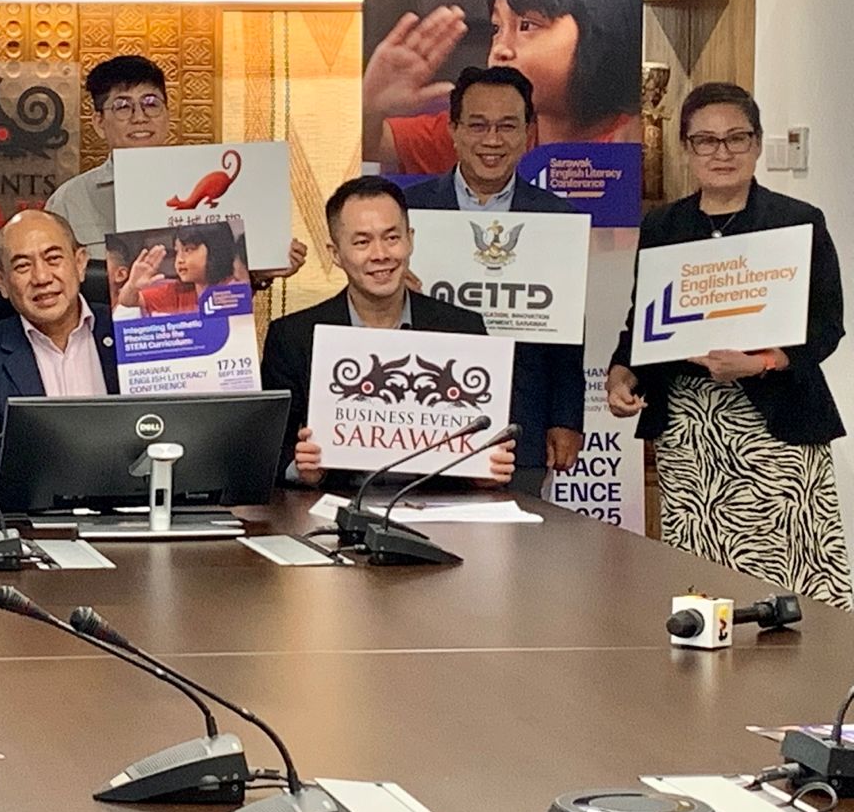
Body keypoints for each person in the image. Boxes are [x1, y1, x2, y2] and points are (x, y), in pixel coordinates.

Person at [607, 82, 849, 608]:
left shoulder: (798, 220)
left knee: (788, 574)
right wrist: (620, 374)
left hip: (777, 425)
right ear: (686, 148)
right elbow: (641, 322)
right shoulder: (664, 225)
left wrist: (760, 362)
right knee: (700, 572)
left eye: (736, 138)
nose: (722, 153)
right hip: (690, 429)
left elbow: (826, 327)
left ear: (757, 143)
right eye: (706, 141)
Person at [261, 176, 516, 489]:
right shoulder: (293, 337)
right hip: (331, 506)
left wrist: (485, 472)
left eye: (392, 237)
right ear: (335, 253)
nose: (380, 254)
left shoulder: (464, 330)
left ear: (410, 240)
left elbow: (488, 440)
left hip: (440, 509)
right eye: (362, 242)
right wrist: (302, 469)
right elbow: (269, 451)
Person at [403, 66, 586, 494]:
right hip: (418, 416)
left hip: (520, 423)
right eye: (477, 125)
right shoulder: (407, 212)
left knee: (514, 535)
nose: (492, 140)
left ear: (528, 133)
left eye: (507, 126)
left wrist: (566, 418)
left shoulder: (557, 219)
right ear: (453, 130)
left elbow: (568, 337)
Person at [363, 0, 642, 173]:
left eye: (527, 26)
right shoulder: (479, 133)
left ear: (602, 29)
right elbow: (374, 148)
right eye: (496, 28)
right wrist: (372, 109)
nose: (500, 49)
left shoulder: (636, 141)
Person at [46, 54, 307, 279]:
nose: (140, 117)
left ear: (167, 114)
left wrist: (262, 270)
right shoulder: (69, 201)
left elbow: (226, 276)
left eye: (151, 103)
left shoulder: (216, 187)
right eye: (123, 106)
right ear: (99, 123)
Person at [0, 210, 119, 490]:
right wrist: (71, 465)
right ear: (0, 282)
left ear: (80, 263)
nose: (41, 277)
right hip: (37, 511)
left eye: (53, 259)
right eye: (22, 266)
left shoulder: (130, 332)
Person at [113, 223, 245, 317]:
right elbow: (127, 301)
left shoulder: (238, 288)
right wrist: (132, 286)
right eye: (177, 251)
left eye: (188, 250)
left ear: (216, 249)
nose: (180, 259)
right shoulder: (176, 292)